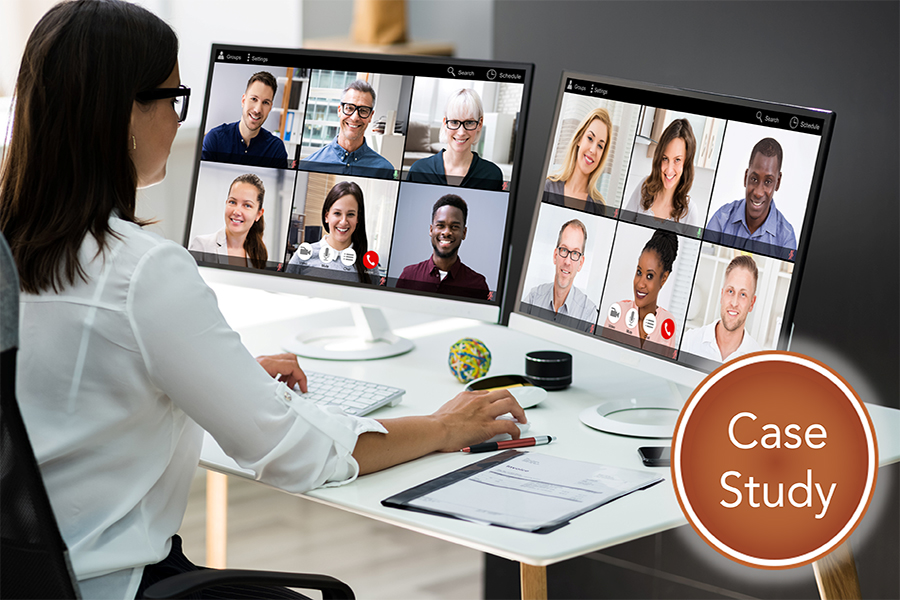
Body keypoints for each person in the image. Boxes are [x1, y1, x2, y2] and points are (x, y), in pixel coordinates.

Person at [0, 3, 524, 599]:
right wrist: (440, 427)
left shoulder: (9, 246)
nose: (177, 121)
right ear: (122, 115)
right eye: (173, 98)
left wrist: (224, 373)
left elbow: (71, 380)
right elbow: (292, 453)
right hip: (114, 584)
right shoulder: (143, 271)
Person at [704, 138, 797, 256]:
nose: (758, 192)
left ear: (777, 182)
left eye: (768, 181)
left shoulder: (786, 239)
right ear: (745, 177)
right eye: (754, 179)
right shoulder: (721, 220)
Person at [406, 88, 504, 191]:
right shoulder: (419, 170)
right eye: (454, 122)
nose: (461, 132)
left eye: (469, 123)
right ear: (445, 123)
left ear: (479, 124)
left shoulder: (493, 175)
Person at [395, 194, 489, 300]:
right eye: (440, 225)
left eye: (454, 227)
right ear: (431, 230)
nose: (446, 232)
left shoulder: (478, 285)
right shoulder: (408, 275)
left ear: (464, 233)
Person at [285, 180, 376, 283]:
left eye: (350, 214)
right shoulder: (303, 256)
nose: (343, 222)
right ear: (327, 216)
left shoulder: (369, 264)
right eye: (337, 213)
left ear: (358, 218)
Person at [603, 229, 679, 352]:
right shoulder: (618, 311)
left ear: (663, 278)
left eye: (649, 276)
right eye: (639, 272)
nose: (640, 284)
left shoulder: (667, 323)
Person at [302, 80, 395, 178]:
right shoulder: (309, 165)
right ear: (339, 110)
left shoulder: (385, 170)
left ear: (371, 116)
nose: (354, 118)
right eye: (349, 108)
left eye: (363, 110)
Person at [681, 255, 762, 362]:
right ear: (722, 295)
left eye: (743, 294)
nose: (734, 303)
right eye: (730, 291)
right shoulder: (688, 342)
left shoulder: (757, 361)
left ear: (752, 303)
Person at [521, 219, 598, 332]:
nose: (567, 261)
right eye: (564, 250)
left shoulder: (588, 314)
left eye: (575, 253)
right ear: (555, 255)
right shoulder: (533, 298)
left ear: (580, 263)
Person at [623, 118, 702, 227]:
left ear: (686, 163)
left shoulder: (689, 213)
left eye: (677, 160)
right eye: (665, 158)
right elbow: (621, 228)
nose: (669, 170)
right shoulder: (644, 188)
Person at [201, 71, 289, 168]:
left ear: (270, 108)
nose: (257, 109)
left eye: (265, 102)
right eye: (254, 99)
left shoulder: (276, 149)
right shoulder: (215, 139)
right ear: (243, 101)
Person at [189, 173, 268, 269]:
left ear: (258, 214)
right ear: (226, 203)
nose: (236, 212)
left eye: (247, 205)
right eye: (232, 202)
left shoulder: (259, 255)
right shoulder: (202, 246)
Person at [543, 107, 612, 214]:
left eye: (600, 145)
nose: (593, 150)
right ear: (579, 138)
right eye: (590, 138)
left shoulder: (598, 206)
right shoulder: (548, 187)